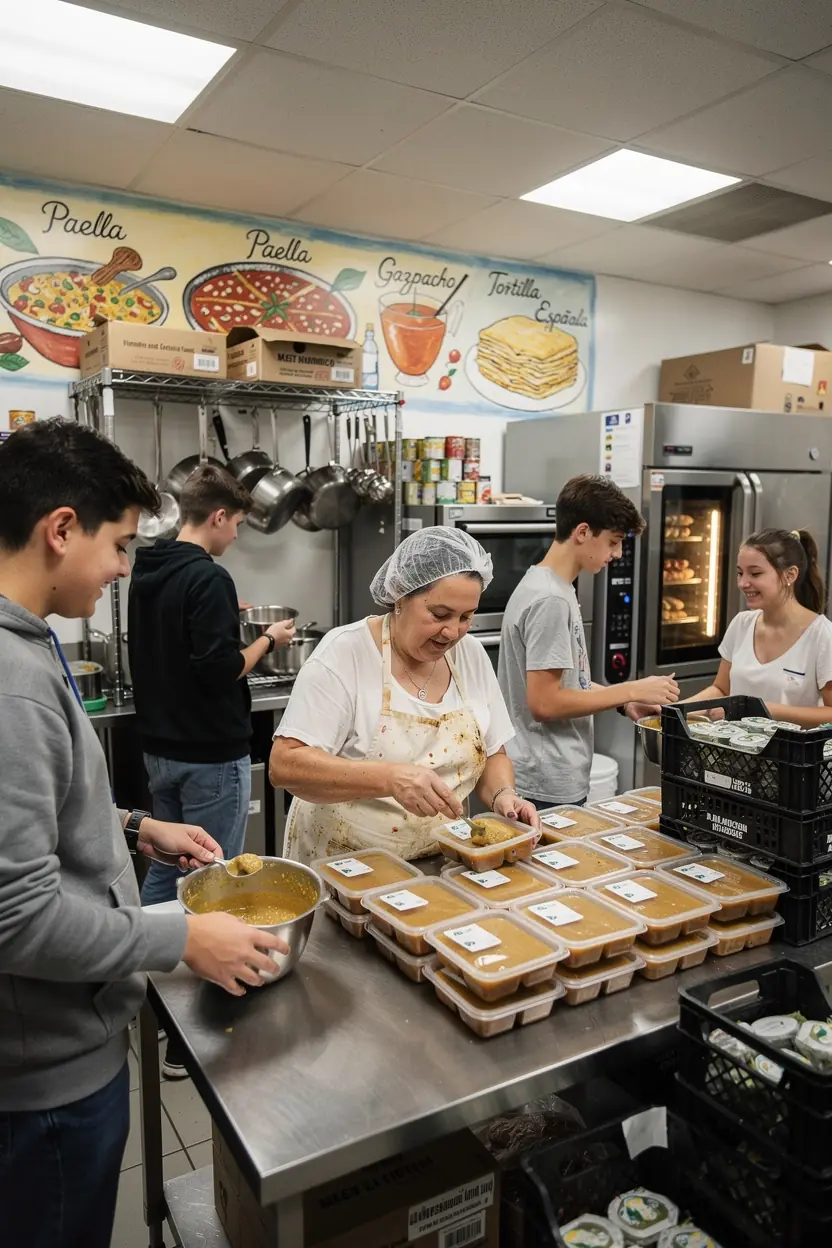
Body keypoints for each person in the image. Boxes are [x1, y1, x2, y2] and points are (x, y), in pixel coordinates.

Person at [0, 420, 286, 1248]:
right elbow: (15, 917)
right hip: (43, 1079)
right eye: (119, 544)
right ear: (61, 530)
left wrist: (132, 824)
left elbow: (42, 811)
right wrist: (182, 934)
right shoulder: (13, 682)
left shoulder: (27, 646)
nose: (125, 568)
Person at [270, 527, 539, 864]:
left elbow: (493, 752)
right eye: (440, 615)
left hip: (440, 862)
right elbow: (285, 764)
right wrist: (390, 778)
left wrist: (504, 795)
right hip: (346, 864)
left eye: (466, 617)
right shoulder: (345, 654)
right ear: (400, 598)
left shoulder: (470, 655)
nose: (452, 631)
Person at [129, 464, 295, 910]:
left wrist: (223, 613)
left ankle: (156, 965)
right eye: (238, 524)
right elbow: (221, 670)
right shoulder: (209, 576)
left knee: (168, 865)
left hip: (161, 751)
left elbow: (174, 635)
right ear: (218, 517)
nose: (237, 536)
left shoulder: (149, 569)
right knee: (214, 873)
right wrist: (268, 640)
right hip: (210, 755)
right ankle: (210, 968)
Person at [499, 474, 680, 808]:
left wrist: (624, 703)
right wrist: (632, 689)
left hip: (546, 776)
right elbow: (545, 703)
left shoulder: (551, 586)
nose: (618, 553)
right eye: (613, 542)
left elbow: (570, 684)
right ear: (582, 533)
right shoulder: (549, 599)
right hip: (544, 783)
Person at [688, 528, 832, 726]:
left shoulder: (822, 636)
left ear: (790, 575)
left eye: (755, 573)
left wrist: (763, 710)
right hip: (734, 755)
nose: (743, 583)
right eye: (740, 573)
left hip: (790, 755)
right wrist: (674, 711)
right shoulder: (741, 624)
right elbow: (721, 690)